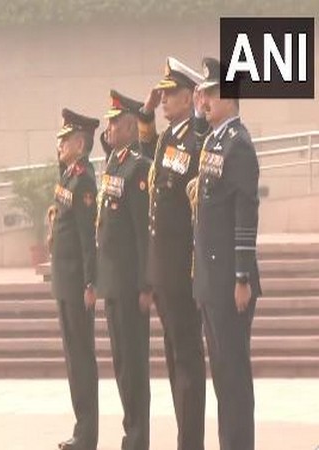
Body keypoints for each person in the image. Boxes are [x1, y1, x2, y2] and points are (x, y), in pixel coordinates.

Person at [138, 57, 209, 450]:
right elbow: (147, 156)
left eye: (169, 96)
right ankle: (185, 437)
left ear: (188, 98)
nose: (163, 101)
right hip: (162, 266)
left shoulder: (195, 140)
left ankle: (191, 442)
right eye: (162, 96)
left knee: (187, 359)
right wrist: (145, 112)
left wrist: (200, 117)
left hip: (182, 265)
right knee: (172, 358)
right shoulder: (167, 138)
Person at [192, 56, 262, 450]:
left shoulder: (239, 145)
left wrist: (241, 276)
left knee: (234, 374)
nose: (204, 102)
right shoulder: (215, 139)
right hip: (209, 277)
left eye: (211, 94)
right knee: (220, 373)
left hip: (228, 280)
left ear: (230, 99)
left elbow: (244, 210)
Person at [97, 90, 152, 450]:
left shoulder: (137, 166)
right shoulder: (115, 162)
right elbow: (102, 139)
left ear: (130, 128)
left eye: (115, 122)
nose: (109, 127)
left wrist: (147, 284)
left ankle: (137, 440)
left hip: (132, 283)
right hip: (112, 281)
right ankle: (129, 434)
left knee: (133, 366)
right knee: (120, 365)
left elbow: (142, 232)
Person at [50, 108, 100, 450]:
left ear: (80, 144)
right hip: (63, 281)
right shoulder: (69, 175)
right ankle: (80, 430)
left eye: (65, 140)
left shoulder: (83, 179)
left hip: (76, 283)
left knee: (82, 359)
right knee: (73, 360)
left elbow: (87, 236)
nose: (59, 146)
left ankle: (87, 435)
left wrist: (90, 283)